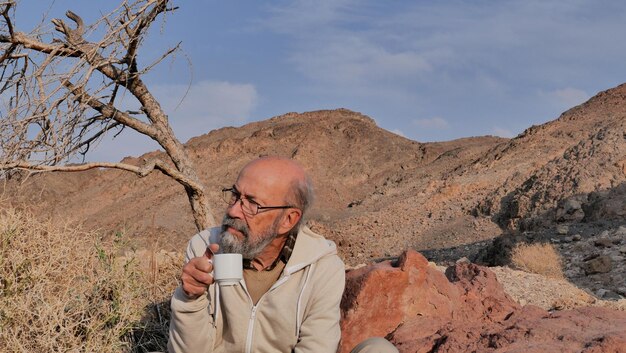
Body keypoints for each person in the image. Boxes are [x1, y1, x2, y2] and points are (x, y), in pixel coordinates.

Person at [167, 157, 397, 353]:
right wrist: (190, 298)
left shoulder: (322, 268)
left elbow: (316, 348)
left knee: (379, 349)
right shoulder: (205, 249)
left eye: (252, 204)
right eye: (235, 196)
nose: (233, 210)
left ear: (288, 219)